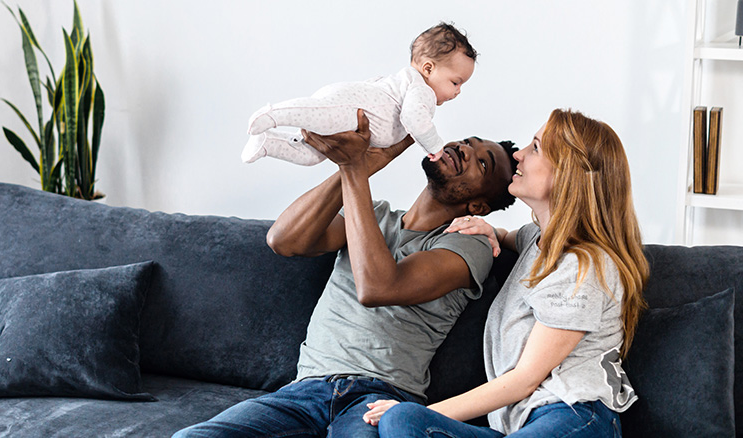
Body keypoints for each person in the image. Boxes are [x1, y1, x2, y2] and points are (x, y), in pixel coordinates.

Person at [174, 109, 518, 438]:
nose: (467, 150)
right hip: (303, 392)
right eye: (469, 142)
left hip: (379, 398)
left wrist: (354, 168)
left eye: (482, 163)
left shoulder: (471, 246)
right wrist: (359, 165)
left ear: (478, 207)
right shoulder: (372, 216)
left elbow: (378, 287)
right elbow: (283, 240)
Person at [362, 109, 649, 438]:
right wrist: (488, 229)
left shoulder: (583, 265)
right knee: (402, 424)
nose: (519, 154)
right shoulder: (535, 240)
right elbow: (507, 237)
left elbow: (525, 379)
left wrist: (425, 410)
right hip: (520, 427)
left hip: (574, 417)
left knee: (407, 417)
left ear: (569, 174)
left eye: (536, 148)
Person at [241, 23, 476, 166]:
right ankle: (273, 115)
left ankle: (267, 143)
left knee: (313, 155)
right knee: (317, 116)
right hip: (349, 109)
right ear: (428, 68)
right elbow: (414, 118)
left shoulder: (402, 83)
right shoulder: (421, 90)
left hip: (349, 114)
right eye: (456, 82)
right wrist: (435, 146)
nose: (458, 91)